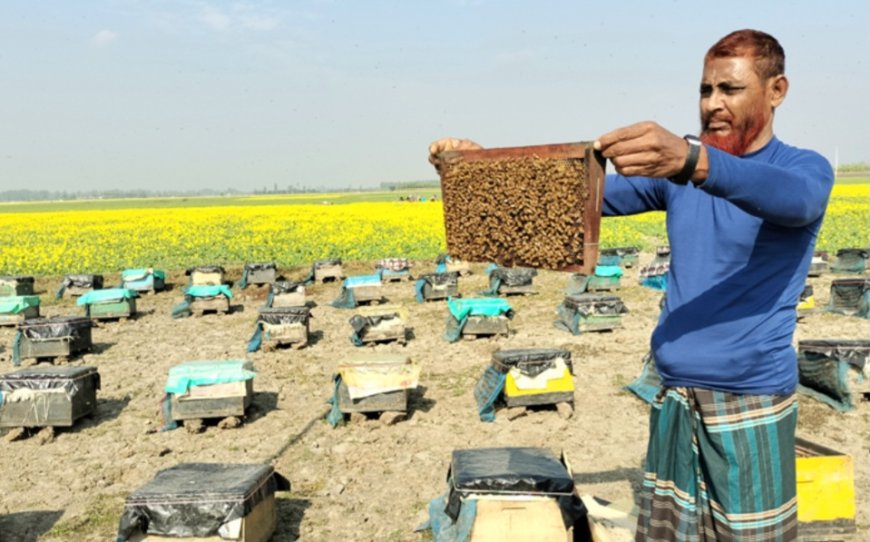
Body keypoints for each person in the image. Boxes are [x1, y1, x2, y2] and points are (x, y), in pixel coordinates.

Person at [428, 29, 833, 541]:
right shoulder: (677, 179)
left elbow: (796, 201)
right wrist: (477, 172)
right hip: (673, 400)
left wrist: (692, 161)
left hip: (747, 403)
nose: (712, 104)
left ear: (777, 91)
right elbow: (571, 198)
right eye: (705, 90)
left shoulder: (799, 168)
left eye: (729, 90)